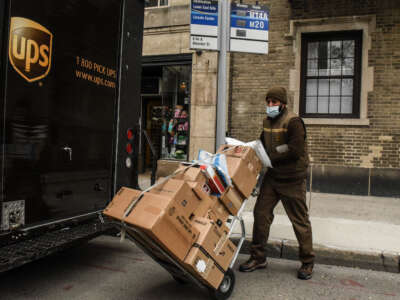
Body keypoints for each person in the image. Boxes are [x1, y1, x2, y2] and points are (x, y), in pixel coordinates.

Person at [239, 86, 315, 280]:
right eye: (268, 102)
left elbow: (295, 149)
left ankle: (307, 262)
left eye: (274, 102)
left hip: (292, 178)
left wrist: (271, 156)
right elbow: (262, 143)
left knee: (299, 221)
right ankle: (258, 257)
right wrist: (250, 150)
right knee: (261, 214)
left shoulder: (294, 121)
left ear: (283, 103)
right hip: (273, 177)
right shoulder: (267, 121)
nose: (270, 105)